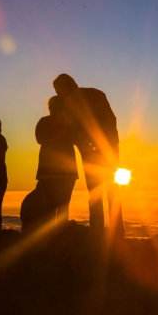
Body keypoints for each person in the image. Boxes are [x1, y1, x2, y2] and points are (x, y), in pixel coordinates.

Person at [53, 74, 123, 235]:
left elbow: (72, 129)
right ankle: (117, 232)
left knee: (96, 193)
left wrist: (84, 145)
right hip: (110, 150)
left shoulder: (71, 102)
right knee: (111, 191)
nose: (58, 94)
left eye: (58, 90)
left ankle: (98, 231)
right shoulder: (96, 94)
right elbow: (112, 121)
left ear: (65, 87)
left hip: (95, 153)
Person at [35, 96, 78, 222]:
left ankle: (55, 236)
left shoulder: (46, 121)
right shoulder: (68, 122)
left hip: (53, 172)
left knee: (51, 207)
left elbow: (39, 139)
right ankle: (58, 236)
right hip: (61, 172)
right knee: (60, 207)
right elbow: (40, 138)